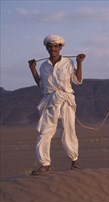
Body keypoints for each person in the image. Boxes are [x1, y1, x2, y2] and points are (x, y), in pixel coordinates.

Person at [28, 34, 86, 175]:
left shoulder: (68, 63)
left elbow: (77, 81)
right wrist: (33, 69)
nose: (53, 48)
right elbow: (42, 85)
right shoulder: (43, 66)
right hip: (49, 101)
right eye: (50, 46)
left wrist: (79, 63)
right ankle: (45, 164)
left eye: (56, 46)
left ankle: (74, 161)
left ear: (60, 48)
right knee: (45, 132)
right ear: (47, 47)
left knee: (68, 129)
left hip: (65, 99)